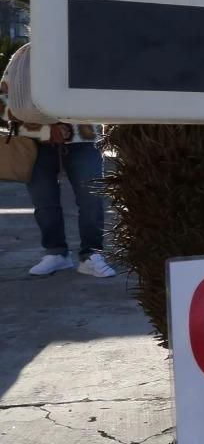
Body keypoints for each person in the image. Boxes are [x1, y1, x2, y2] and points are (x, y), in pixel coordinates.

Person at [0, 46, 113, 278]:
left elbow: (102, 96)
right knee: (45, 203)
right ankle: (55, 253)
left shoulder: (84, 52)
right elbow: (4, 102)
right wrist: (43, 129)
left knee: (92, 199)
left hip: (84, 139)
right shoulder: (22, 57)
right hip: (34, 143)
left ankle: (91, 255)